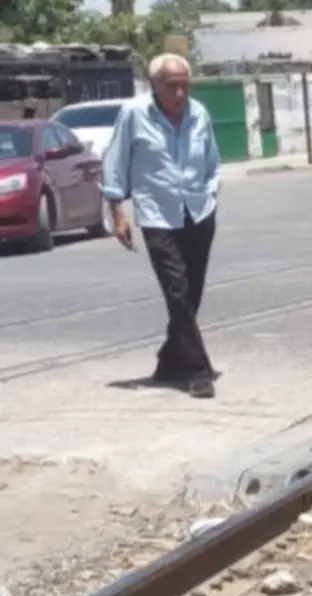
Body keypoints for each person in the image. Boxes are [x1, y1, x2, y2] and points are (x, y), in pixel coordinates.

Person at [101, 53, 221, 399]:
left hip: (198, 211)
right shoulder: (134, 115)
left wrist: (211, 192)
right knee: (177, 291)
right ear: (155, 85)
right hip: (157, 216)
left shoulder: (199, 113)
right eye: (172, 86)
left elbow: (212, 160)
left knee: (192, 293)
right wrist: (117, 211)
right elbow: (116, 162)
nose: (180, 93)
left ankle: (170, 361)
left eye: (185, 85)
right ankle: (199, 371)